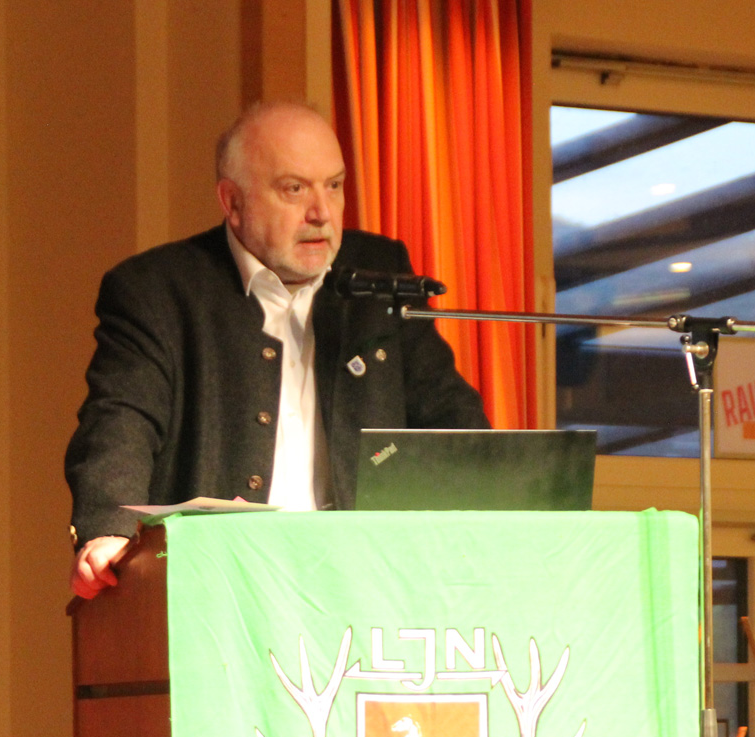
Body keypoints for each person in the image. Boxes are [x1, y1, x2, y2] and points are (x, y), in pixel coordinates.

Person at [66, 101, 488, 598]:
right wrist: (109, 528)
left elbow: (452, 419)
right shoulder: (159, 290)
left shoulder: (378, 275)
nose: (321, 213)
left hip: (366, 584)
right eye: (294, 189)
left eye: (334, 185)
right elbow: (122, 421)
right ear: (232, 202)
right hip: (224, 586)